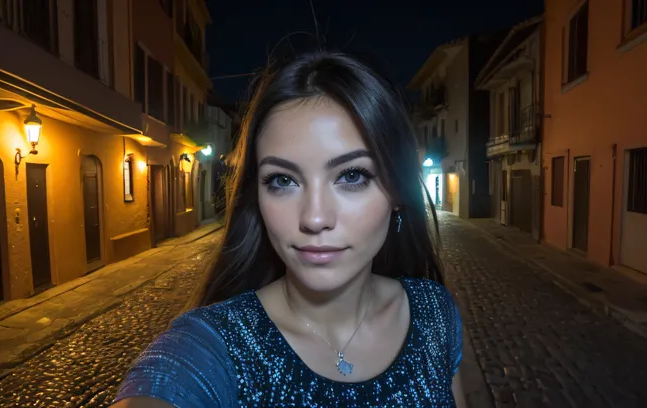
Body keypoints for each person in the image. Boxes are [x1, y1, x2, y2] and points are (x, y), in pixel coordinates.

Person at [110, 50, 467, 408]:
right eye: (282, 180)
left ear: (397, 192)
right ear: (258, 197)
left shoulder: (435, 315)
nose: (313, 218)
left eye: (352, 176)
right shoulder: (215, 344)